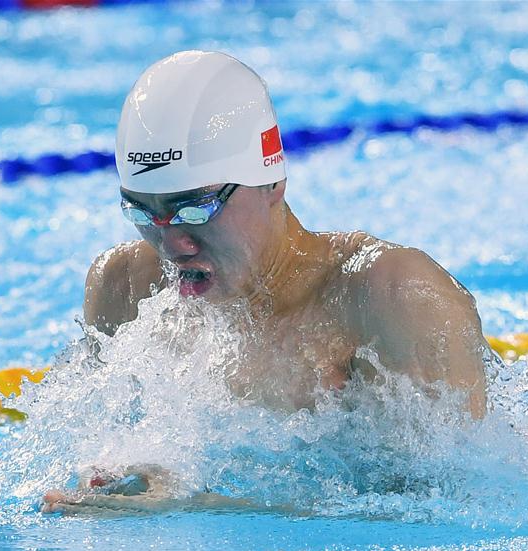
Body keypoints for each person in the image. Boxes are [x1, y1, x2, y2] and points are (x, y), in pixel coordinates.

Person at [42, 50, 490, 513]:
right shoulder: (125, 288)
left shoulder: (391, 298)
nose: (171, 244)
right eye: (141, 211)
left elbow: (448, 511)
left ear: (272, 181)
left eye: (196, 208)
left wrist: (205, 507)